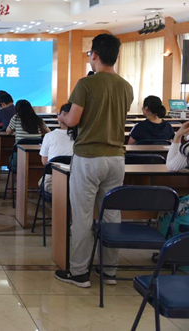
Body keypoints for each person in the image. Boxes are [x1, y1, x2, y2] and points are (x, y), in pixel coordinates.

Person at [56, 34, 134, 288]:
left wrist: (63, 118)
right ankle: (109, 271)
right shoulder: (126, 86)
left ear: (95, 55)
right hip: (116, 158)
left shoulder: (86, 84)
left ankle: (79, 273)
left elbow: (73, 120)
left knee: (82, 216)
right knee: (111, 215)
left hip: (89, 157)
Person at [39, 103, 75, 193]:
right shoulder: (80, 137)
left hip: (53, 181)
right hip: (75, 182)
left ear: (60, 117)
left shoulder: (49, 136)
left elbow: (45, 162)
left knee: (42, 183)